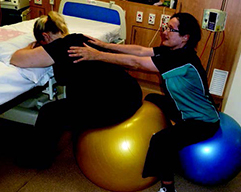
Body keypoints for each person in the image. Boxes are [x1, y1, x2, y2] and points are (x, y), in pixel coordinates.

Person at [67, 12, 220, 192]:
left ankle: (168, 188)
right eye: (166, 27)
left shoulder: (182, 59)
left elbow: (136, 62)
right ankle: (171, 148)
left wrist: (97, 55)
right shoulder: (172, 50)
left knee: (161, 141)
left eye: (171, 29)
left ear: (185, 37)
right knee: (151, 98)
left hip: (202, 121)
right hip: (182, 111)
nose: (164, 32)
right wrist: (104, 45)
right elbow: (139, 51)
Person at [10, 11, 142, 169]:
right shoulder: (80, 37)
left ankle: (38, 160)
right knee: (68, 103)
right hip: (131, 92)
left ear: (45, 37)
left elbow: (16, 58)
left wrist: (30, 47)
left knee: (49, 113)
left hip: (116, 104)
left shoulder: (57, 47)